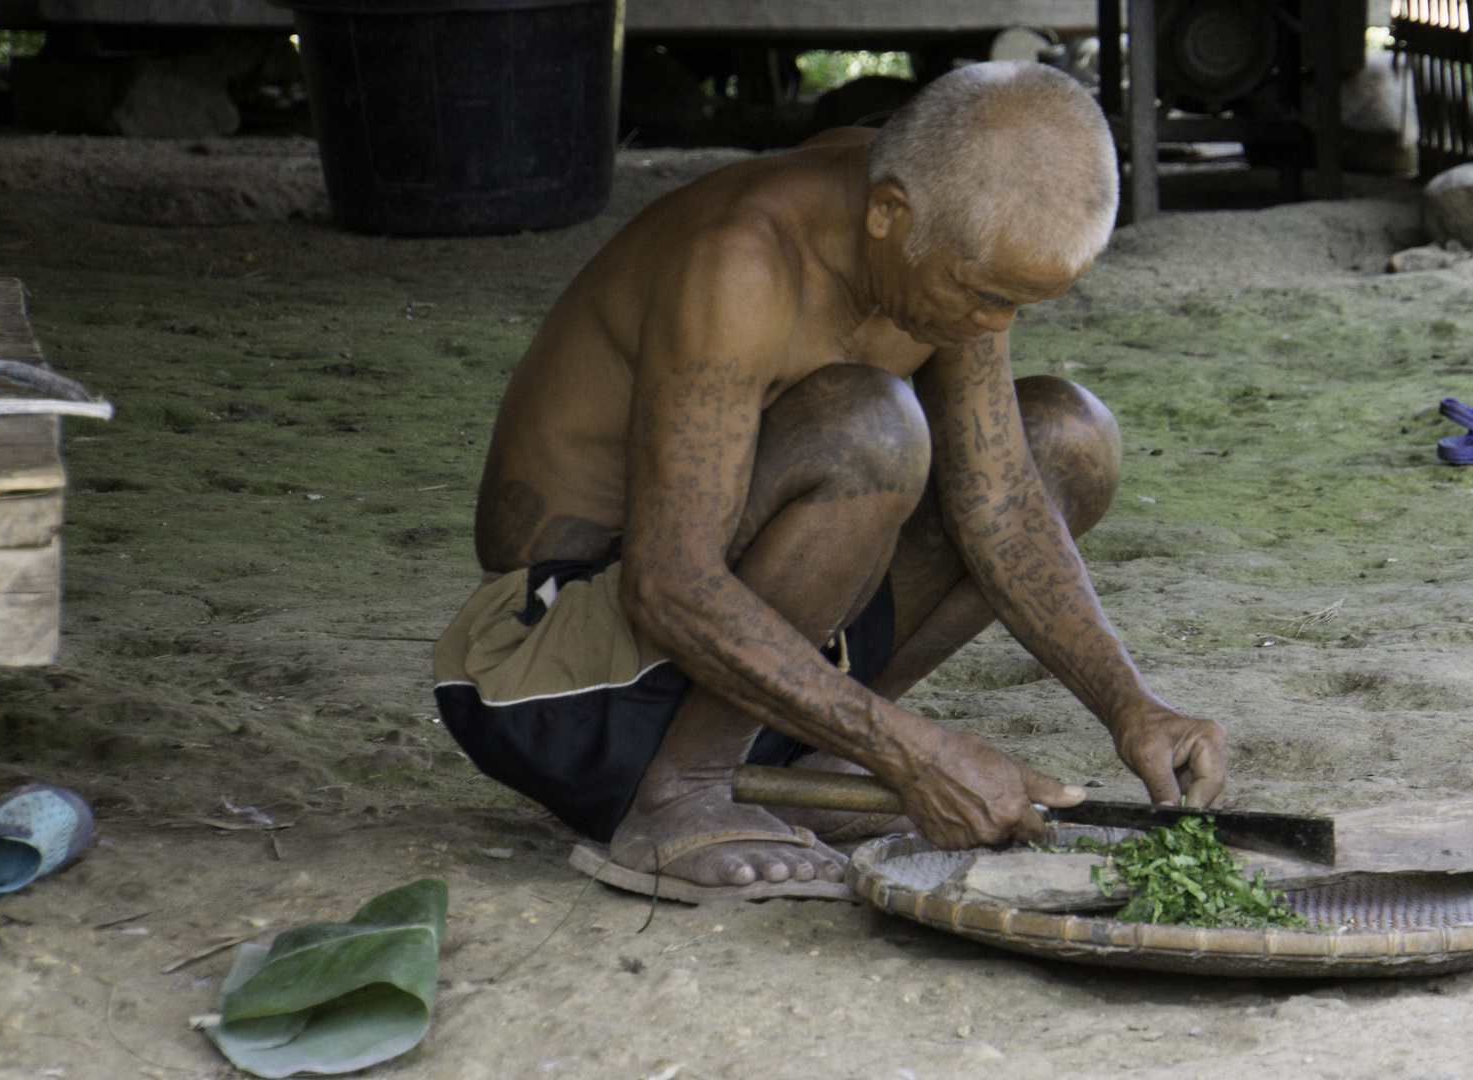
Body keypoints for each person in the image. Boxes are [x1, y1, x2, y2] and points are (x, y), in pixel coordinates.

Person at [434, 61, 1228, 899]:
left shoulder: (929, 219)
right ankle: (682, 791)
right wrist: (907, 751)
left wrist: (1130, 704)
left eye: (1018, 305)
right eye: (980, 293)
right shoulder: (741, 262)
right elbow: (669, 584)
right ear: (890, 212)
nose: (992, 327)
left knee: (1066, 437)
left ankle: (798, 766)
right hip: (559, 684)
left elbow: (999, 502)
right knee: (869, 425)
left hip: (733, 664)